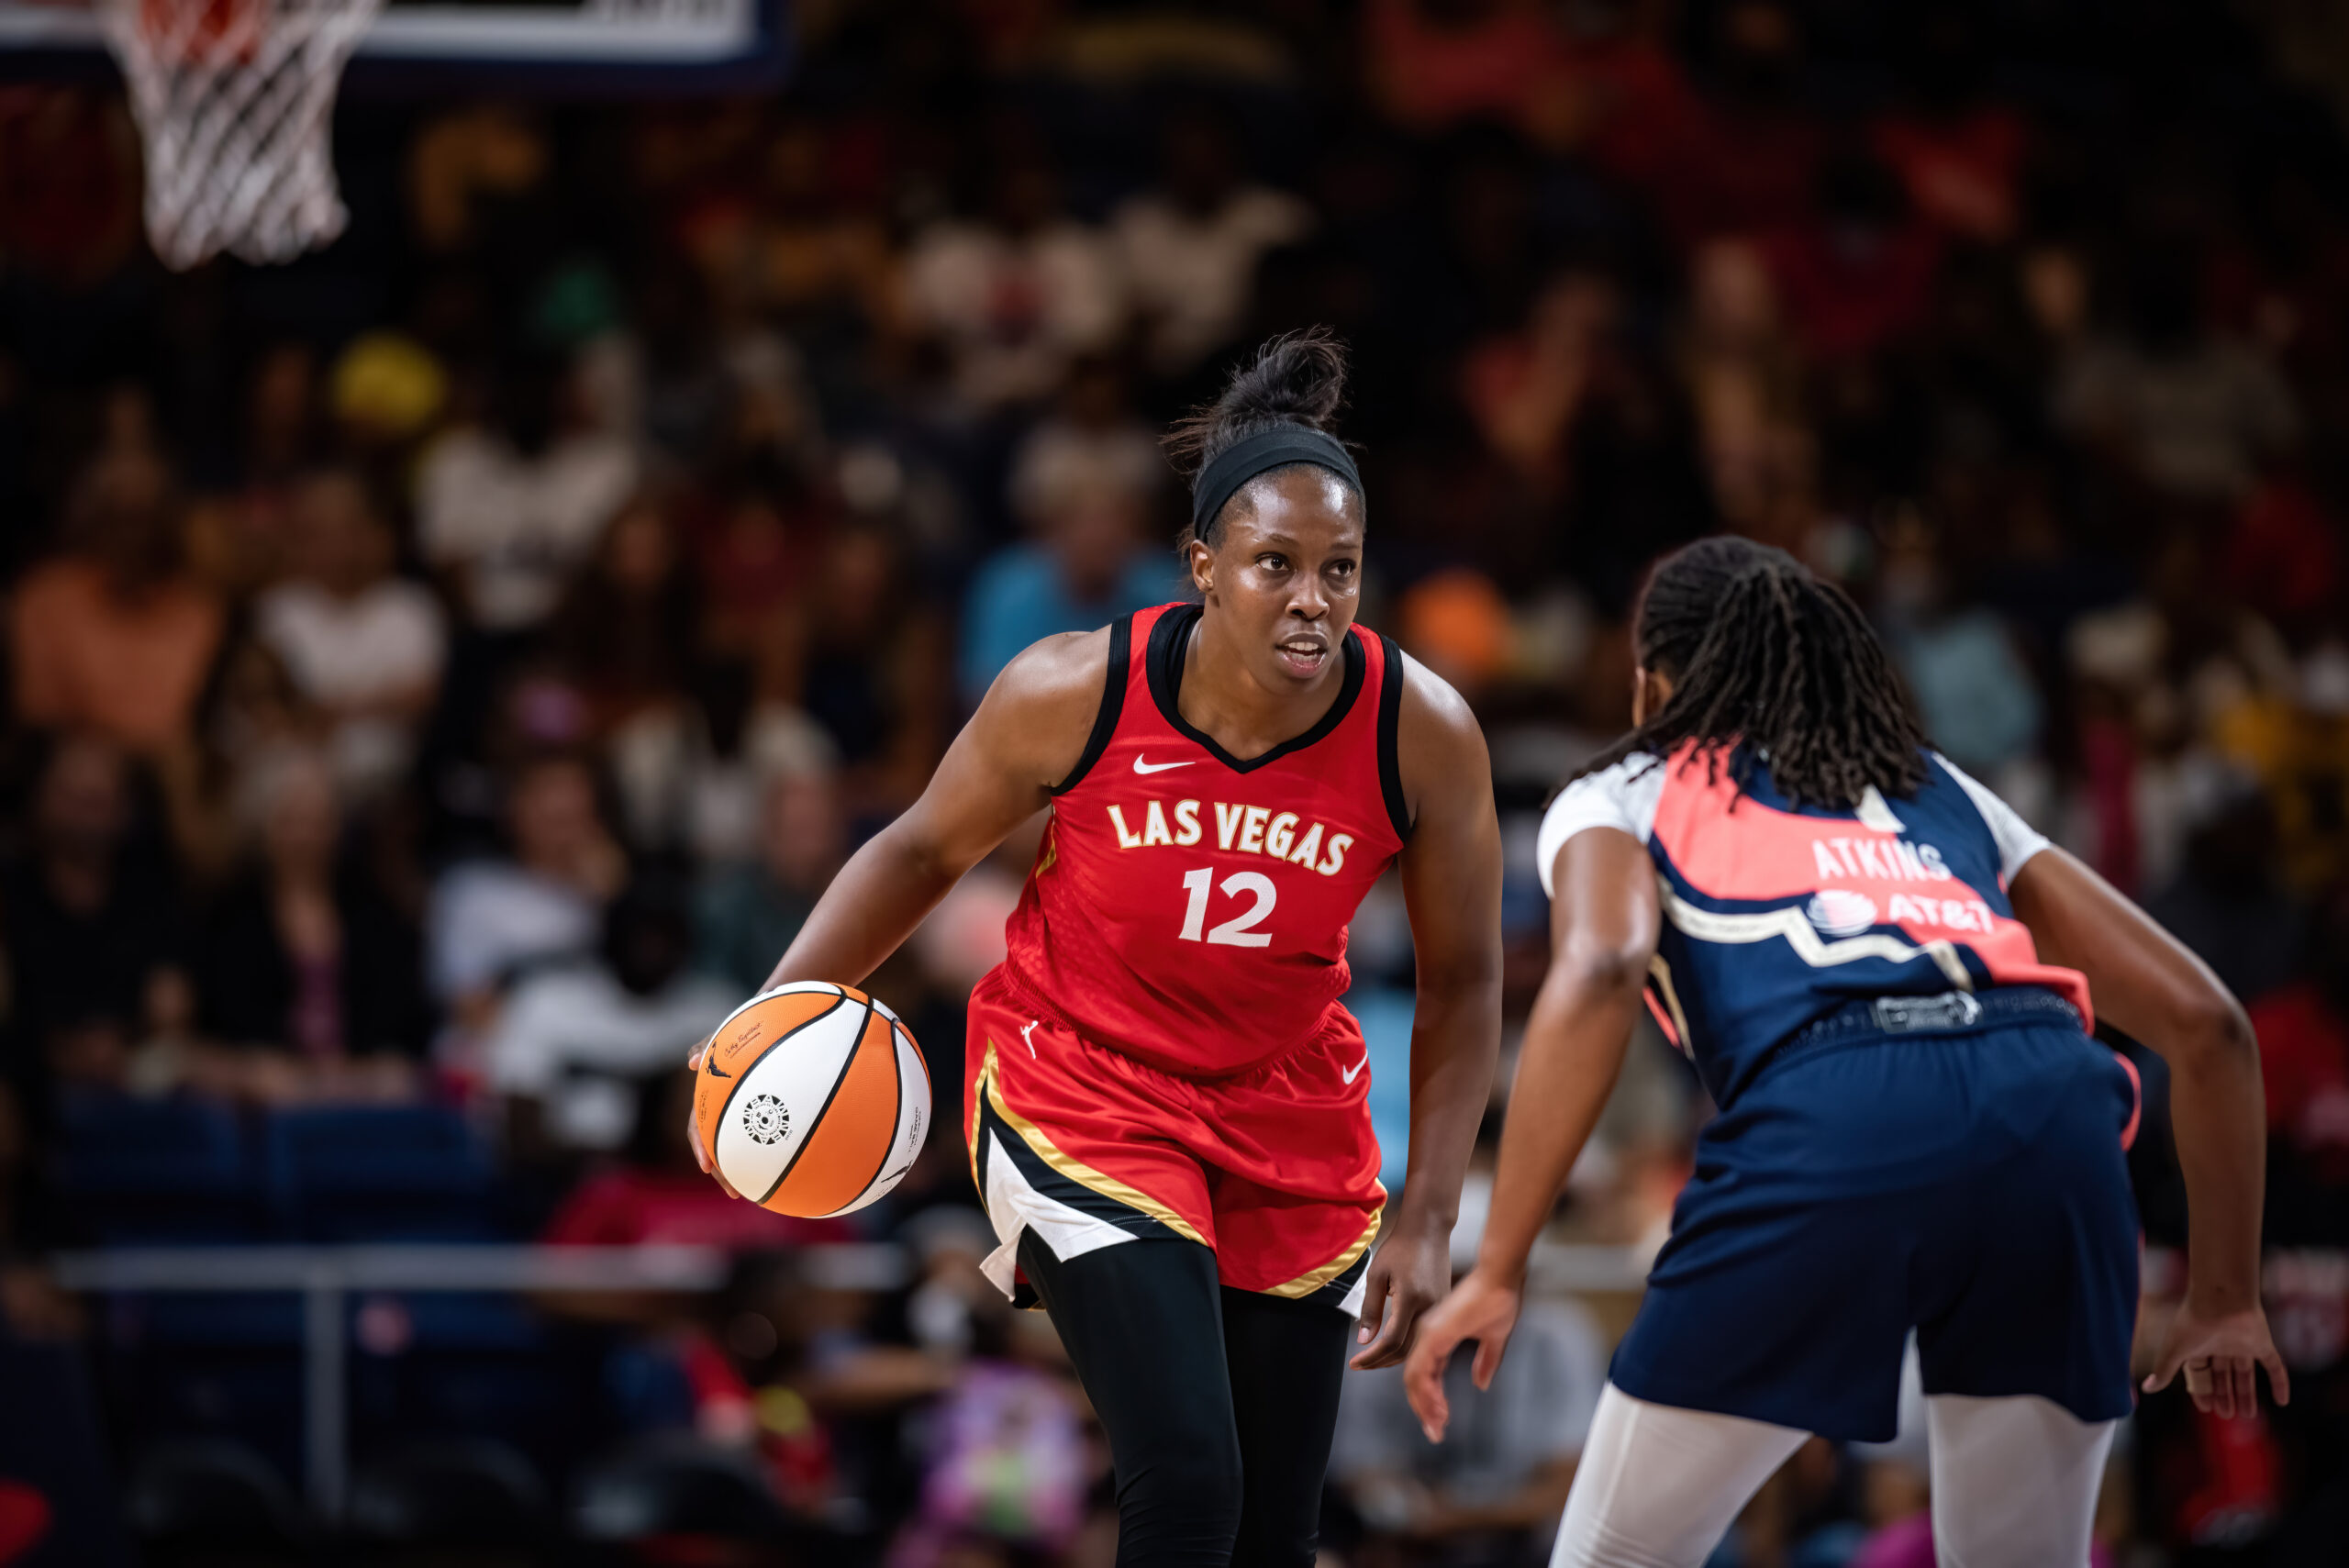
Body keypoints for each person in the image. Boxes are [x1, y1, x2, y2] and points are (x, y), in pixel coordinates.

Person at [695, 331, 1503, 1568]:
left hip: (1290, 1116)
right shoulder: (1073, 690)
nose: (1311, 598)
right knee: (1186, 1479)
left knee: (1273, 1534)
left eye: (1338, 568)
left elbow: (1464, 979)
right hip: (1086, 1086)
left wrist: (1431, 1212)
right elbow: (917, 852)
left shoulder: (1421, 730)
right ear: (1202, 569)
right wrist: (775, 1010)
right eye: (1275, 564)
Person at [1402, 536, 2288, 1566]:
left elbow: (1600, 965)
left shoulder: (1624, 785)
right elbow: (2211, 1023)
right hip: (2053, 1117)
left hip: (1835, 1112)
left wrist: (1499, 1265)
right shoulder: (1934, 786)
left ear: (1652, 681)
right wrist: (2226, 1295)